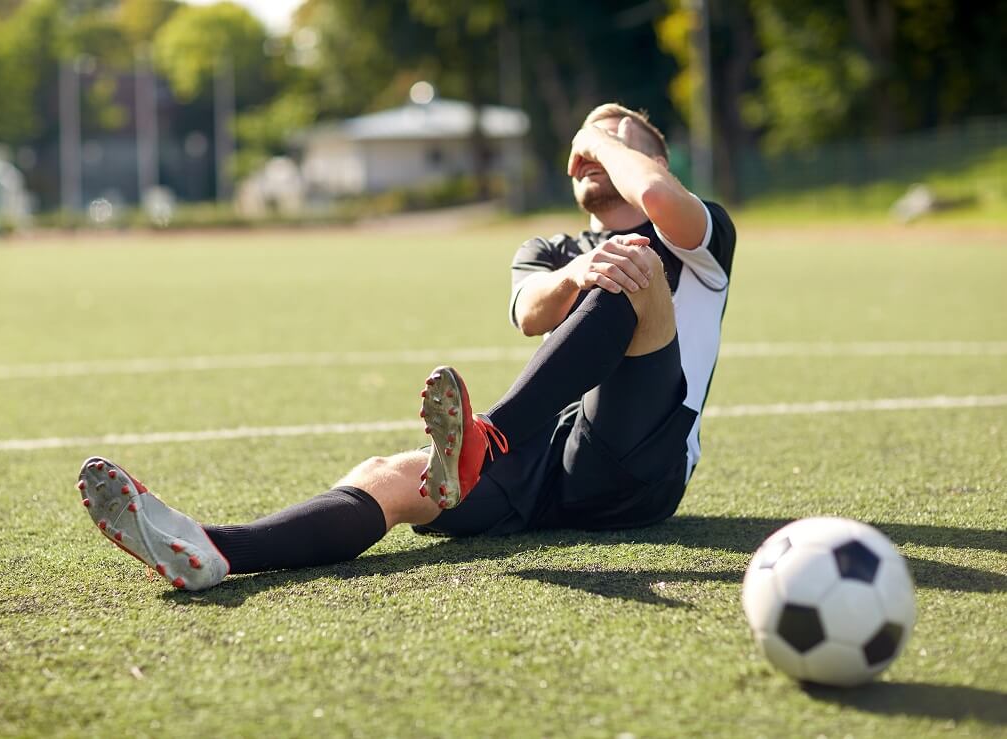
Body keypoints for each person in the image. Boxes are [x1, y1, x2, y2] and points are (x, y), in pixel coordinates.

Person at [75, 103, 736, 591]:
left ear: (654, 159)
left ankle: (487, 437)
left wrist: (599, 134)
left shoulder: (697, 235)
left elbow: (651, 192)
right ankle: (211, 548)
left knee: (633, 263)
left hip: (643, 465)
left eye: (614, 143)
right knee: (390, 474)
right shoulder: (547, 250)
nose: (591, 153)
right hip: (548, 463)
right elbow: (532, 314)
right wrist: (575, 271)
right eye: (583, 148)